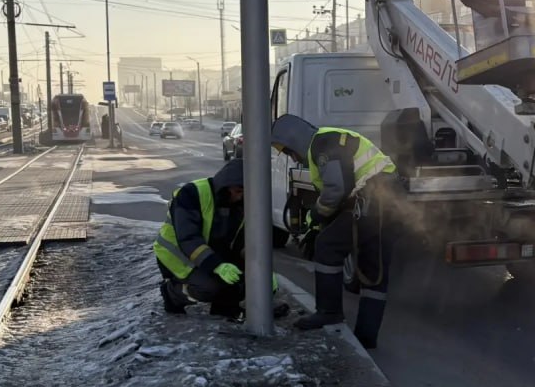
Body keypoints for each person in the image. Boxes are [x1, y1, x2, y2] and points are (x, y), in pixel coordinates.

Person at [271, 114, 399, 348]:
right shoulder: (329, 139)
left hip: (372, 198)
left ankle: (329, 312)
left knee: (327, 247)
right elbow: (343, 189)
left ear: (293, 140)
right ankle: (366, 336)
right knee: (374, 269)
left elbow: (337, 189)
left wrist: (316, 217)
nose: (292, 157)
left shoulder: (322, 143)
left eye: (289, 151)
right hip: (387, 200)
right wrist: (324, 223)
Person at [153, 158, 287, 320]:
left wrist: (262, 268)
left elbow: (245, 243)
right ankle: (173, 294)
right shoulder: (192, 193)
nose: (240, 197)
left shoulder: (243, 203)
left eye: (245, 192)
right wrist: (217, 266)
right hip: (178, 257)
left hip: (210, 253)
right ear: (226, 185)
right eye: (238, 191)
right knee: (210, 288)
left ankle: (224, 310)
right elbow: (188, 239)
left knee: (245, 280)